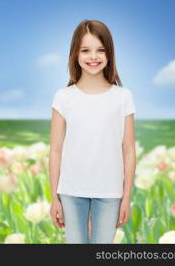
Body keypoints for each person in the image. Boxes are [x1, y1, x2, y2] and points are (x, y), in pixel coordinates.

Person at [49, 19, 136, 244]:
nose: (93, 57)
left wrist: (126, 198)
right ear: (75, 55)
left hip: (110, 192)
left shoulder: (123, 97)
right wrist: (54, 198)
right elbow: (56, 150)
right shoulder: (64, 97)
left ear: (109, 55)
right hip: (71, 190)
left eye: (100, 50)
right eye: (86, 50)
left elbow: (128, 150)